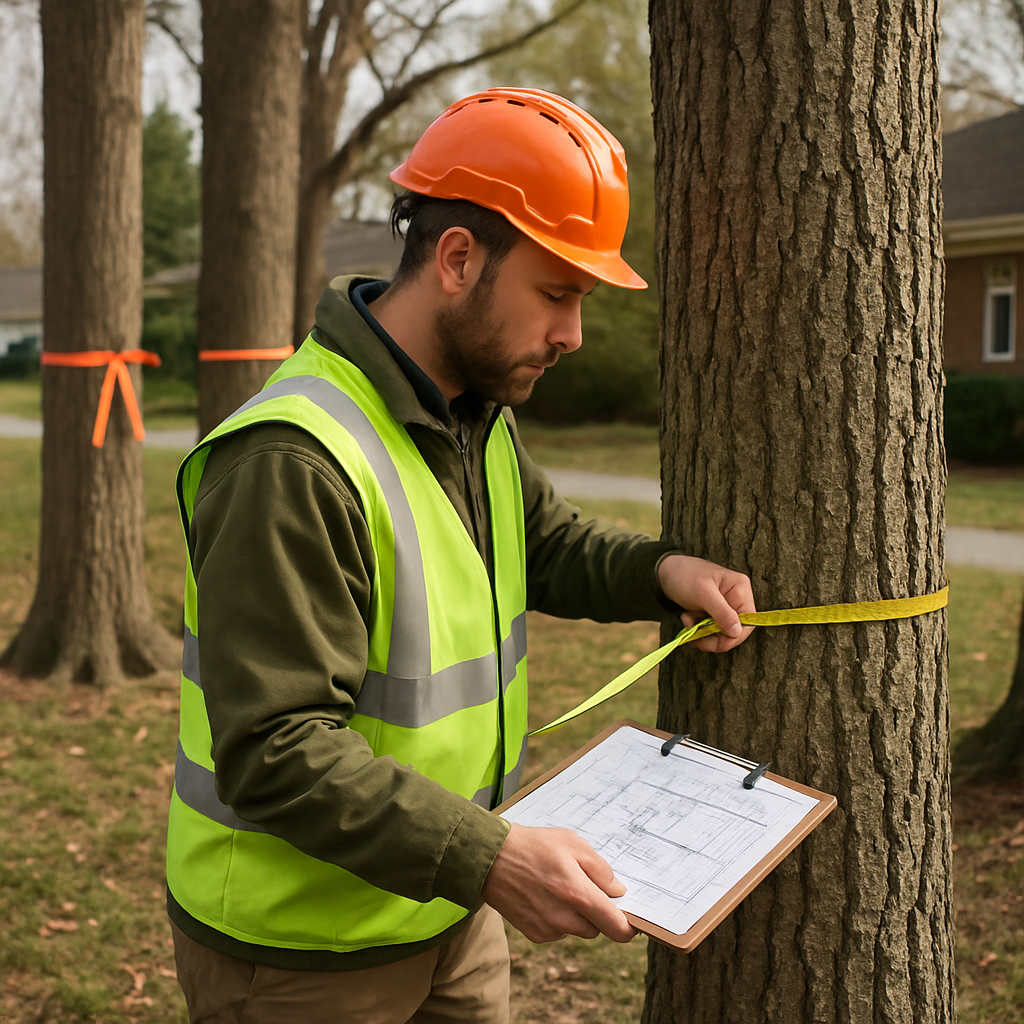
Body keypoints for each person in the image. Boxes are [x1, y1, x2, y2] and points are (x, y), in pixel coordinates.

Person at [166, 87, 755, 1023]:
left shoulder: (471, 411)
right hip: (300, 956)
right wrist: (492, 856)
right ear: (456, 259)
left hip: (445, 907)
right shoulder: (293, 459)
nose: (569, 333)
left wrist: (658, 573)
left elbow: (545, 543)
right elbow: (273, 750)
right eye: (555, 294)